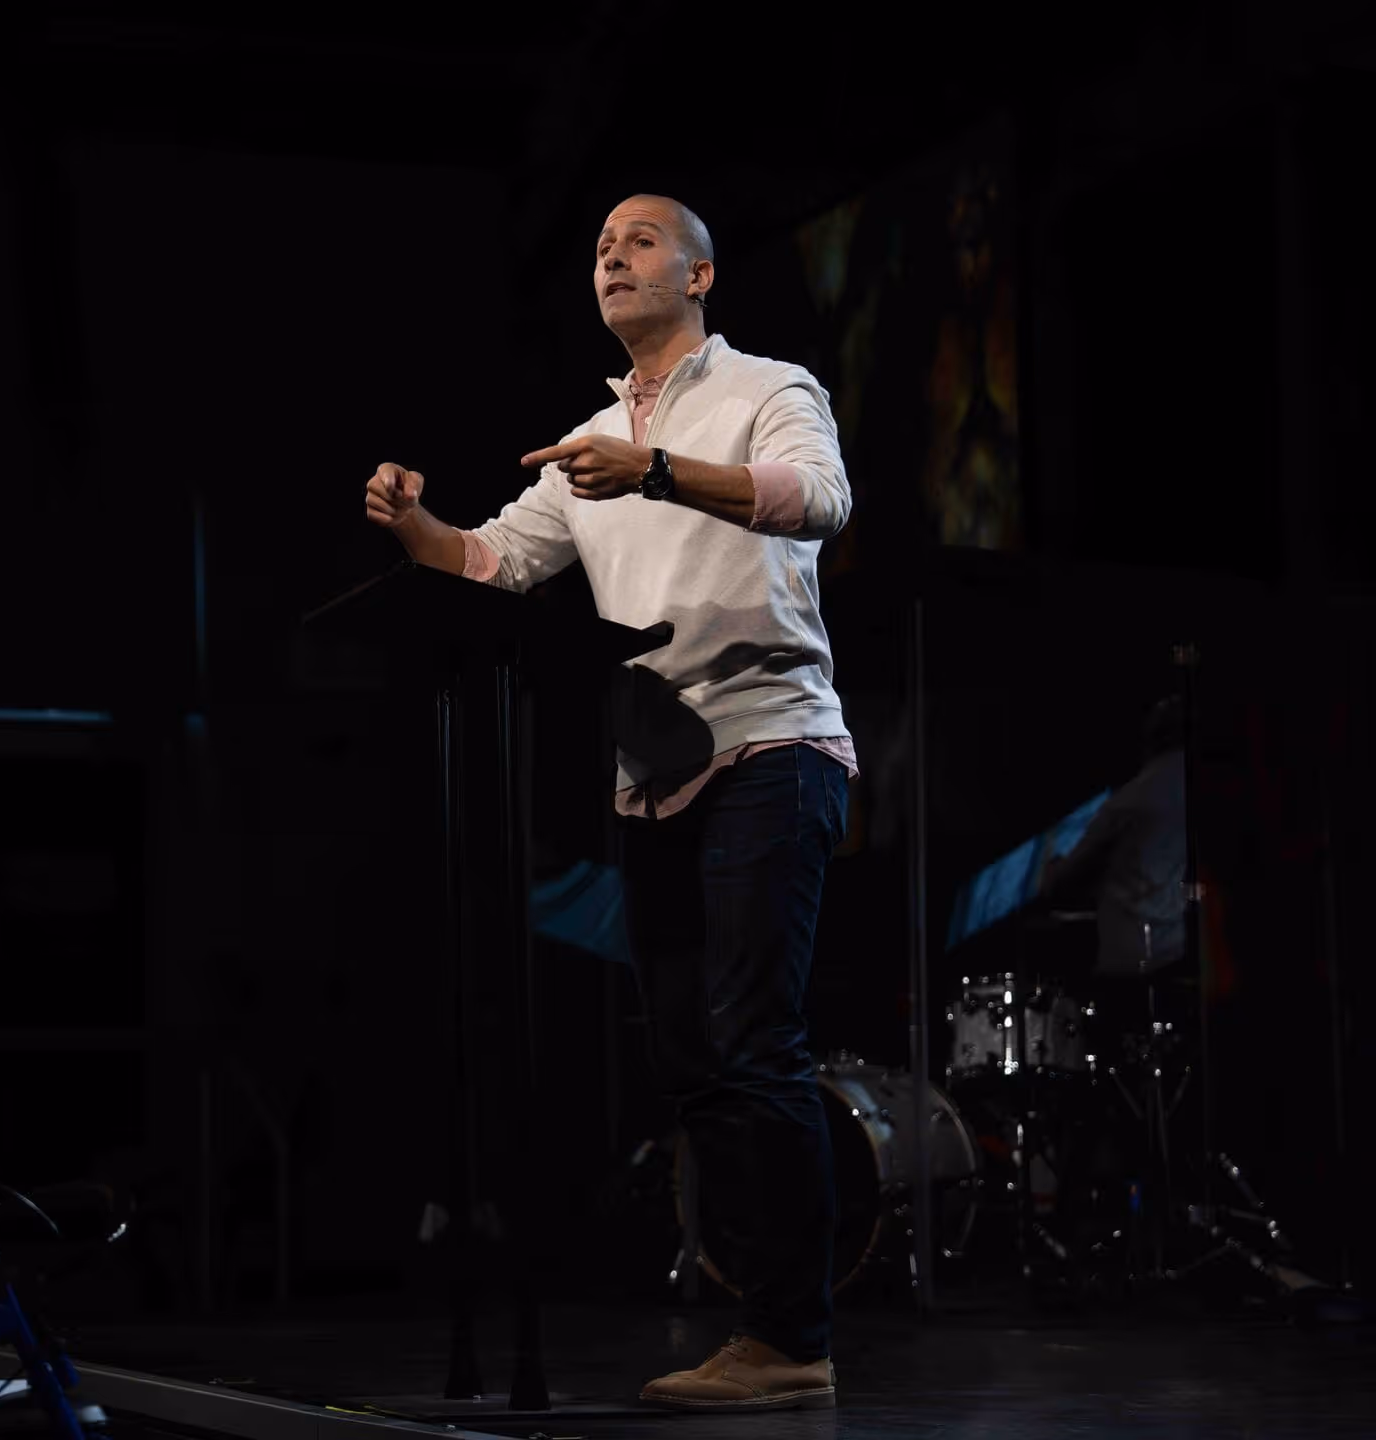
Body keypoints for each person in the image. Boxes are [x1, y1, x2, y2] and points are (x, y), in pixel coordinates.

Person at [364, 194, 855, 1412]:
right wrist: (412, 521)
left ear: (697, 276)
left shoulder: (769, 388)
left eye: (638, 241)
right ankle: (764, 1334)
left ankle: (793, 1338)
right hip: (654, 780)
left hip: (769, 747)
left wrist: (661, 471)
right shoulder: (589, 441)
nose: (611, 257)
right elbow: (491, 562)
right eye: (598, 248)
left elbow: (820, 500)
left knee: (752, 1043)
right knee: (693, 1062)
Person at [1039, 695, 1188, 978]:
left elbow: (1061, 881)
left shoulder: (1129, 801)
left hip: (1132, 957)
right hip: (1186, 953)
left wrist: (1051, 864)